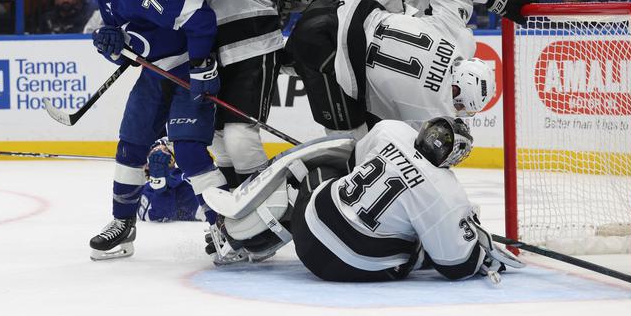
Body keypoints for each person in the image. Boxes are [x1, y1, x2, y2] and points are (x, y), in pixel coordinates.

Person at [201, 117, 524, 282]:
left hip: (307, 233)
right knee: (421, 240)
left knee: (313, 177)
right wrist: (475, 245)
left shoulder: (393, 130)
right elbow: (455, 266)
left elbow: (352, 161)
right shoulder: (446, 193)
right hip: (350, 268)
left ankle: (240, 237)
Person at [75, 0, 223, 260]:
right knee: (131, 144)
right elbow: (128, 52)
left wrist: (201, 64)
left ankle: (224, 227)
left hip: (187, 65)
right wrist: (112, 47)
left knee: (187, 149)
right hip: (156, 74)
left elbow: (199, 18)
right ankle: (122, 224)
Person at [121, 0, 283, 189]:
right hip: (220, 54)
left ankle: (271, 206)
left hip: (253, 50)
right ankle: (238, 212)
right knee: (220, 139)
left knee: (239, 137)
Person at [284, 0, 535, 137]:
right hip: (323, 50)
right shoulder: (436, 112)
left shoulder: (461, 40)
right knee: (354, 152)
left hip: (339, 5)